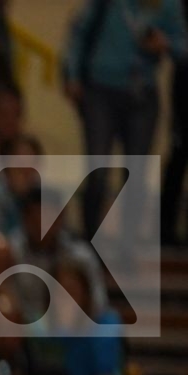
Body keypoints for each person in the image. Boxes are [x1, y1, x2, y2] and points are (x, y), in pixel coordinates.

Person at [62, 0, 185, 240]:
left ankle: (127, 245)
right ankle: (91, 241)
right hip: (101, 90)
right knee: (97, 170)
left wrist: (165, 43)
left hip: (141, 93)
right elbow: (79, 33)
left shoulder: (168, 5)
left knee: (136, 175)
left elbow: (183, 45)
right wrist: (73, 75)